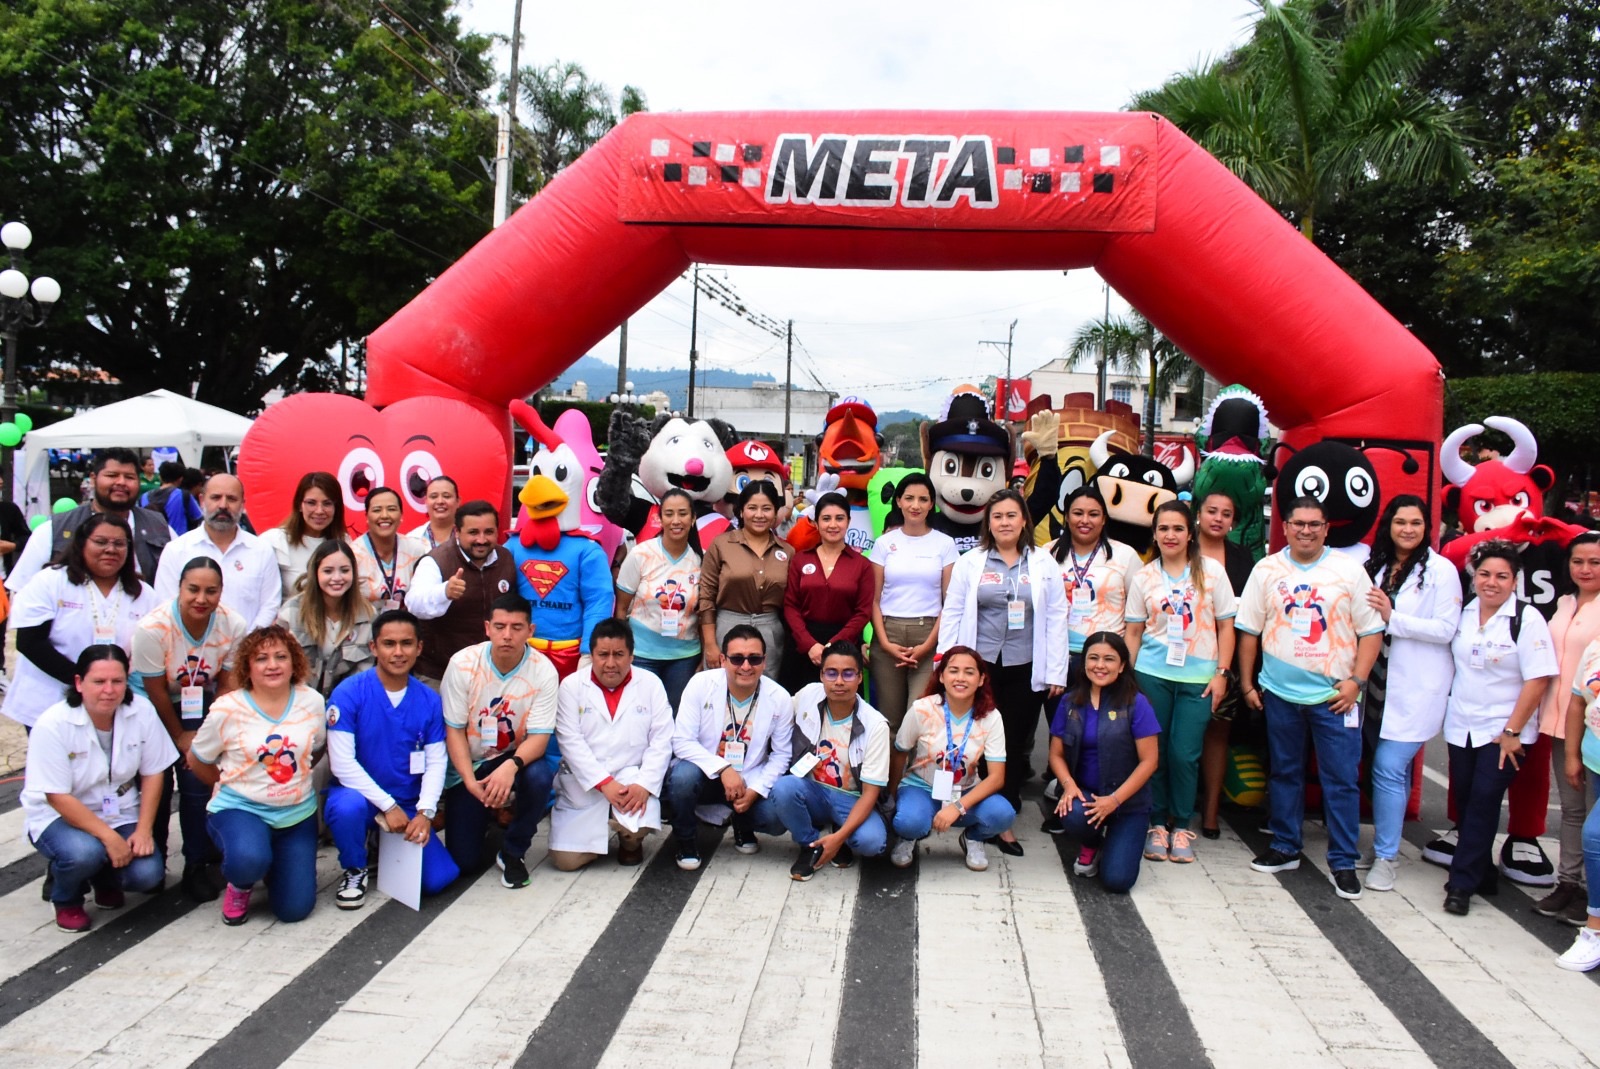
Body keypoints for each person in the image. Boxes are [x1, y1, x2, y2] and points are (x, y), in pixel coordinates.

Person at [1236, 496, 1385, 900]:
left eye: (1314, 524)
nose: (1306, 530)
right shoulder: (1266, 570)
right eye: (1298, 523)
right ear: (1284, 527)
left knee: (1341, 780)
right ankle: (1285, 845)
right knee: (1284, 772)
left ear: (1326, 528)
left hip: (1334, 696)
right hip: (1280, 693)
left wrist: (1357, 681)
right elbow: (1248, 629)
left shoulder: (1349, 572)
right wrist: (1248, 684)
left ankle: (1342, 860)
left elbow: (1371, 631)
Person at [938, 488, 1069, 856]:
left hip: (1025, 666)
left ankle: (1003, 818)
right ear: (988, 523)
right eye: (997, 517)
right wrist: (945, 660)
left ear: (1024, 520)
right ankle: (967, 803)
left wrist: (1056, 669)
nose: (1005, 522)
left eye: (1011, 515)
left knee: (1010, 744)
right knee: (975, 738)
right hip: (981, 667)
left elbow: (1058, 616)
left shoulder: (1043, 563)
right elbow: (953, 611)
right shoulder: (972, 562)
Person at [1438, 541, 1557, 916]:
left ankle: (1461, 883)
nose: (1492, 583)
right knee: (1468, 799)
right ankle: (1483, 871)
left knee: (1486, 798)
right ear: (1474, 577)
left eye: (1502, 576)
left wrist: (1513, 731)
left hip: (1504, 731)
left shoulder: (1527, 618)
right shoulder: (1464, 612)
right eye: (1485, 574)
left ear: (1515, 580)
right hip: (1462, 724)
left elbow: (1537, 679)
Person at [22, 646, 176, 932]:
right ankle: (66, 897)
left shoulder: (140, 711)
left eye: (117, 682)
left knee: (147, 874)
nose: (109, 690)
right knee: (84, 853)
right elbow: (56, 796)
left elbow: (155, 772)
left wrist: (143, 830)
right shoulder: (53, 724)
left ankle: (105, 879)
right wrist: (110, 838)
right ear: (79, 683)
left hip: (120, 810)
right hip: (61, 815)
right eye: (98, 682)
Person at [187, 624, 327, 925]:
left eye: (281, 656)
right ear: (247, 666)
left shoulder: (312, 701)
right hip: (241, 809)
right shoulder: (227, 708)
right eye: (262, 658)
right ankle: (240, 884)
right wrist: (226, 785)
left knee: (294, 911)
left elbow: (316, 748)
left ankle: (274, 862)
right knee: (248, 859)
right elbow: (197, 758)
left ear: (294, 662)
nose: (273, 665)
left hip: (296, 814)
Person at [131, 557, 249, 900]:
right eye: (193, 589)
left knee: (198, 777)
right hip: (152, 706)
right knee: (159, 779)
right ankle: (152, 854)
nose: (202, 598)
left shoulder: (232, 623)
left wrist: (204, 737)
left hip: (201, 703)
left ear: (221, 592)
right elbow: (153, 690)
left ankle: (197, 862)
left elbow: (227, 683)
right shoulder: (153, 628)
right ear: (179, 588)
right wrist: (180, 736)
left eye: (211, 591)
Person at [324, 610, 460, 909]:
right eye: (389, 644)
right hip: (361, 796)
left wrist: (424, 813)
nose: (398, 652)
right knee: (346, 808)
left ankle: (380, 844)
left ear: (419, 648)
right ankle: (355, 868)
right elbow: (342, 764)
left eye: (406, 643)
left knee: (440, 880)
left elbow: (437, 762)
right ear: (374, 648)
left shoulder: (429, 699)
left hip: (408, 802)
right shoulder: (349, 693)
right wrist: (388, 806)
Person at [1124, 501, 1236, 863]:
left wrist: (1222, 674)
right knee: (1153, 753)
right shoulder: (1145, 577)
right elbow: (1134, 632)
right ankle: (1156, 824)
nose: (1170, 535)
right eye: (1163, 529)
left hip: (1199, 680)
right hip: (1152, 675)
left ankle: (1181, 825)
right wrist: (1128, 677)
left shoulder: (1213, 572)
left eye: (1177, 529)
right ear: (1154, 534)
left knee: (1185, 754)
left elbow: (1226, 627)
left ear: (1191, 533)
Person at [1360, 495, 1461, 892]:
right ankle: (1385, 845)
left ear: (1426, 527)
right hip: (1376, 686)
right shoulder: (1378, 565)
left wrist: (1393, 617)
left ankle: (1386, 857)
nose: (1407, 529)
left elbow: (1446, 629)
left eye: (1415, 523)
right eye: (1400, 522)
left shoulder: (1442, 571)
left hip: (1417, 688)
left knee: (1388, 767)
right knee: (1387, 772)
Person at [440, 593, 561, 886]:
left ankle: (513, 850)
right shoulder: (463, 664)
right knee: (464, 862)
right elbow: (453, 729)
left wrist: (511, 767)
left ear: (530, 631)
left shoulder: (543, 669)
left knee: (540, 776)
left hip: (512, 756)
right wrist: (469, 781)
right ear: (487, 628)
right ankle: (487, 816)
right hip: (470, 762)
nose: (507, 635)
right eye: (500, 626)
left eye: (517, 627)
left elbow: (540, 738)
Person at [3, 514, 157, 730]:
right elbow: (29, 642)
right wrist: (83, 682)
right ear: (82, 543)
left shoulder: (144, 594)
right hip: (49, 700)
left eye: (119, 543)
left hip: (111, 702)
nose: (111, 549)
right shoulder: (51, 581)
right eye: (101, 542)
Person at [549, 619, 675, 870]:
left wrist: (644, 784)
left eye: (619, 654)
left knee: (640, 821)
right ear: (591, 655)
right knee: (566, 862)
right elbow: (570, 741)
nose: (610, 663)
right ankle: (602, 832)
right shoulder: (572, 685)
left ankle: (629, 840)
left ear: (631, 655)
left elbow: (662, 739)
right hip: (584, 782)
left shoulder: (650, 684)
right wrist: (604, 783)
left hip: (632, 778)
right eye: (602, 654)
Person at [667, 624, 794, 870]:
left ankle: (742, 821)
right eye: (737, 659)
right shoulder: (700, 684)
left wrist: (755, 790)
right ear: (723, 660)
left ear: (764, 661)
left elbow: (781, 755)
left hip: (748, 780)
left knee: (776, 818)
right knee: (682, 778)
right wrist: (724, 769)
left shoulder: (779, 698)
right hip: (704, 774)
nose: (746, 666)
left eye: (754, 659)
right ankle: (686, 840)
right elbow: (681, 741)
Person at [1523, 532, 1600, 923]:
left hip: (1593, 726)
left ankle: (1590, 890)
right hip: (1557, 722)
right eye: (1578, 561)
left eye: (1595, 562)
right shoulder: (1565, 603)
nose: (1585, 569)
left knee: (1593, 815)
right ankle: (1568, 882)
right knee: (1571, 810)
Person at [1048, 632, 1161, 893]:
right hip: (1087, 797)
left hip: (1127, 803)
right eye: (1093, 658)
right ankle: (1093, 842)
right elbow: (1055, 754)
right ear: (1083, 662)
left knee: (1117, 881)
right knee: (1073, 812)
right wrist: (1068, 785)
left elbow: (1149, 762)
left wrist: (1114, 800)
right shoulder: (1069, 702)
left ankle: (1121, 839)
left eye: (1109, 659)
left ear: (1122, 666)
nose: (1100, 665)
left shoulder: (1137, 703)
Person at [887, 645, 1015, 871]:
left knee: (1003, 814)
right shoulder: (923, 708)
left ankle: (973, 838)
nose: (961, 678)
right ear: (942, 676)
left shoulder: (991, 717)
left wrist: (957, 807)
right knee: (908, 821)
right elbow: (900, 751)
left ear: (982, 679)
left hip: (965, 791)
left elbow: (996, 778)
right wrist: (894, 794)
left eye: (969, 672)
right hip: (922, 786)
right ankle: (910, 836)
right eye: (953, 670)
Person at [771, 640, 890, 880]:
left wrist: (840, 838)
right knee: (783, 788)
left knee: (872, 843)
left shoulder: (875, 725)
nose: (838, 682)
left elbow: (870, 794)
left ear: (859, 678)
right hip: (812, 790)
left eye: (848, 674)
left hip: (851, 798)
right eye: (831, 673)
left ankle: (837, 834)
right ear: (821, 675)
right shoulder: (808, 695)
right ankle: (810, 845)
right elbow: (775, 713)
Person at [6, 448, 173, 593]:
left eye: (129, 477)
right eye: (112, 475)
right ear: (93, 478)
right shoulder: (54, 529)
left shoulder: (160, 527)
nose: (121, 482)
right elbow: (22, 589)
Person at [868, 472, 958, 733]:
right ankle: (889, 775)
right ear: (898, 502)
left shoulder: (945, 544)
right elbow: (874, 600)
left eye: (923, 499)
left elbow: (949, 602)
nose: (915, 505)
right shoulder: (884, 544)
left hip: (928, 635)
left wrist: (928, 645)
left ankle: (914, 774)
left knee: (918, 718)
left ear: (932, 504)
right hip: (888, 634)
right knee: (889, 721)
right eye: (909, 498)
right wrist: (884, 643)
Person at [1195, 490, 1258, 839]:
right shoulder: (1178, 548)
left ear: (1234, 521)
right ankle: (1172, 808)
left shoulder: (1242, 558)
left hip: (1224, 660)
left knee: (1217, 735)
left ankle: (1211, 812)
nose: (1218, 518)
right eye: (1212, 511)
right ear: (1199, 515)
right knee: (1176, 738)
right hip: (1180, 659)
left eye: (1226, 513)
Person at [407, 500, 519, 687]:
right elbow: (414, 604)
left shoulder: (506, 558)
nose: (482, 540)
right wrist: (444, 592)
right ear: (457, 532)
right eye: (473, 532)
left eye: (489, 532)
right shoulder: (435, 561)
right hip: (440, 674)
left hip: (492, 673)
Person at [154, 474, 281, 630]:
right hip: (190, 650)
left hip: (248, 649)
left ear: (242, 504)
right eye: (215, 497)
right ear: (202, 501)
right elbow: (166, 605)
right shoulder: (177, 550)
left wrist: (246, 645)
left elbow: (270, 605)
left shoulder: (261, 550)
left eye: (231, 499)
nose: (223, 505)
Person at [615, 487, 703, 710]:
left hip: (684, 657)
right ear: (659, 518)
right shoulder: (641, 554)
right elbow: (621, 607)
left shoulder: (701, 560)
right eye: (669, 514)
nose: (676, 520)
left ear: (693, 518)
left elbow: (703, 612)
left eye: (683, 514)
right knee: (641, 717)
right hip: (642, 653)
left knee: (676, 718)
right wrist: (621, 650)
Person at [698, 481, 794, 681]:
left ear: (775, 512)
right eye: (752, 508)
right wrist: (710, 644)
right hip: (726, 627)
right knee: (720, 689)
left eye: (766, 508)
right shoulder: (721, 544)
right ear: (741, 511)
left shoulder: (787, 551)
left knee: (765, 693)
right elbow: (706, 596)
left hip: (770, 632)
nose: (759, 515)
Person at [782, 492, 874, 690]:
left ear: (848, 521)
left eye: (839, 518)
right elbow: (790, 605)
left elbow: (863, 611)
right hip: (803, 646)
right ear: (816, 523)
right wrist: (810, 645)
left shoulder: (862, 565)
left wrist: (834, 645)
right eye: (826, 518)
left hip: (845, 647)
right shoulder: (800, 560)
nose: (833, 525)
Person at [1049, 485, 1138, 684]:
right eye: (1078, 513)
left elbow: (1137, 617)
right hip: (1057, 657)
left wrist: (1127, 663)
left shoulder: (1125, 555)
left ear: (1104, 518)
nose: (1085, 520)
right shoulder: (1046, 554)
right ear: (1066, 517)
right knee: (1061, 716)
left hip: (1105, 660)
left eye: (1094, 514)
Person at [277, 540, 377, 697]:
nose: (337, 578)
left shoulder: (367, 615)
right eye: (328, 571)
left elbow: (363, 674)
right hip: (296, 700)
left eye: (344, 570)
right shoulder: (292, 611)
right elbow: (279, 663)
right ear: (315, 573)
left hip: (346, 702)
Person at [1557, 633, 1600, 970]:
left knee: (1594, 836)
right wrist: (1572, 754)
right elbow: (1577, 702)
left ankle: (1594, 932)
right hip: (1594, 762)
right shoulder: (1595, 647)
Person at [258, 471, 345, 600]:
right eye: (311, 503)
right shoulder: (274, 541)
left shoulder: (344, 542)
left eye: (327, 503)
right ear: (299, 504)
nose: (319, 511)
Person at [349, 486, 428, 612]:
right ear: (366, 516)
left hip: (407, 626)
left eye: (391, 509)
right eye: (376, 510)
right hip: (366, 629)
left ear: (401, 515)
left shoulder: (416, 550)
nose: (384, 515)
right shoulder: (352, 555)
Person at [141, 461, 204, 535]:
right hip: (179, 541)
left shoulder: (144, 497)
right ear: (180, 479)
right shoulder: (183, 495)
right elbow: (199, 517)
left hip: (151, 541)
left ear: (160, 477)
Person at [407, 475, 460, 550]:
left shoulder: (472, 537)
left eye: (446, 496)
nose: (440, 501)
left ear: (458, 501)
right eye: (434, 496)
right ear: (426, 501)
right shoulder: (411, 540)